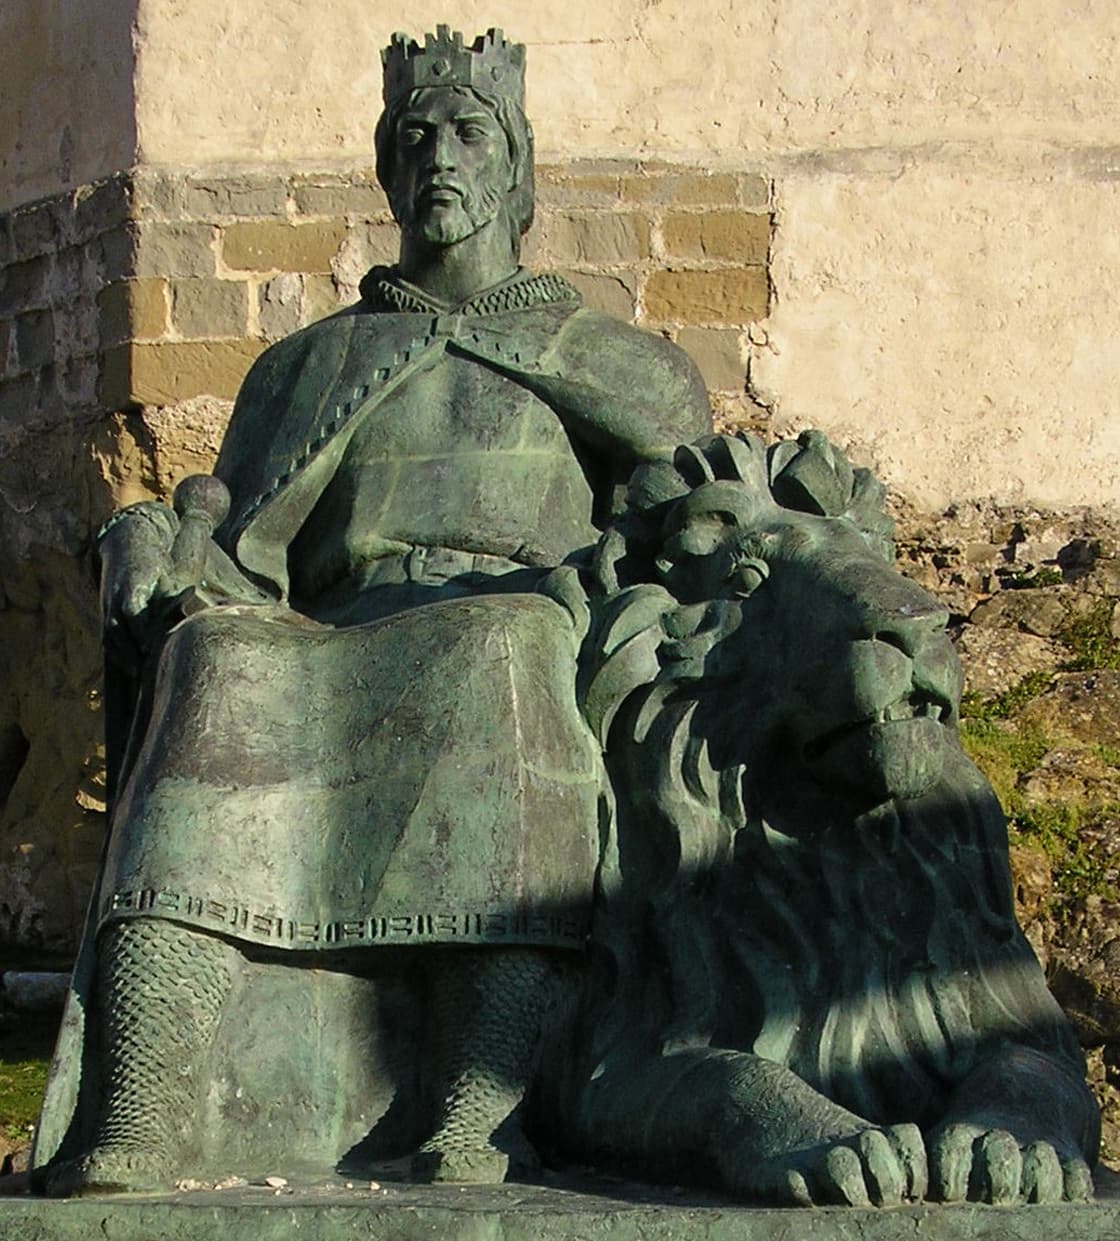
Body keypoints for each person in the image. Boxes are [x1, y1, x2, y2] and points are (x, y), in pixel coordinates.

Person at [37, 26, 710, 1195]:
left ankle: (475, 1107)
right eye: (415, 138)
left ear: (518, 167)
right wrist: (147, 539)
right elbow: (233, 538)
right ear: (389, 174)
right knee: (216, 661)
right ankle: (142, 1104)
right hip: (329, 626)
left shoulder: (617, 358)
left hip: (513, 611)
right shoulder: (306, 364)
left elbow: (690, 519)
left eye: (467, 133)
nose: (440, 156)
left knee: (500, 646)